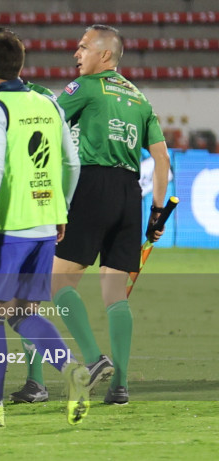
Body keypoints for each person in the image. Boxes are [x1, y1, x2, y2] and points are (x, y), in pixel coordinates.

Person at [0, 31, 89, 430]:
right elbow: (71, 162)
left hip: (6, 227)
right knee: (23, 312)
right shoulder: (48, 103)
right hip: (44, 225)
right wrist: (61, 208)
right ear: (21, 66)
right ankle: (72, 370)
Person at [52, 24, 170, 405]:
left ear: (105, 55)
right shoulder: (140, 99)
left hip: (91, 186)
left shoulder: (84, 87)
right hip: (130, 194)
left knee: (57, 285)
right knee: (115, 294)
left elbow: (47, 123)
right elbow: (163, 160)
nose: (76, 54)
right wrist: (156, 213)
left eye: (83, 48)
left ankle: (93, 358)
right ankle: (120, 385)